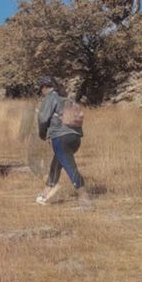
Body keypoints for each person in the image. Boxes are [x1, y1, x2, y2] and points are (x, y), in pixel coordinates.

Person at [35, 76, 91, 208]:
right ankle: (45, 194)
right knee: (56, 165)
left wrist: (42, 134)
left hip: (60, 137)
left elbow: (43, 119)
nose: (41, 92)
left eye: (41, 89)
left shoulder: (50, 98)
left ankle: (85, 199)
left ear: (44, 87)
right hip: (75, 137)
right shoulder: (67, 99)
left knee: (70, 167)